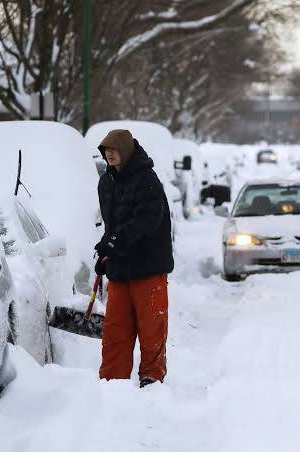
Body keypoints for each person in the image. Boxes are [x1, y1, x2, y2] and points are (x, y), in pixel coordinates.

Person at [94, 129, 174, 388]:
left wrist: (115, 242)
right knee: (115, 331)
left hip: (149, 268)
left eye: (114, 150)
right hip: (120, 269)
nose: (110, 155)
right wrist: (106, 251)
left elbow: (146, 221)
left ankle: (152, 379)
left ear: (126, 151)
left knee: (152, 329)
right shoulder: (106, 183)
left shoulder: (147, 181)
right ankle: (111, 383)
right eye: (106, 151)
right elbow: (111, 225)